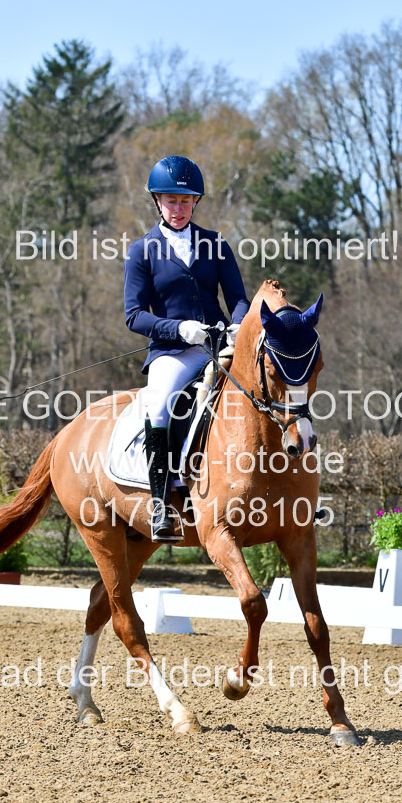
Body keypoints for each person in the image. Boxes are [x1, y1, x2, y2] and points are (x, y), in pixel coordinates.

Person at [124, 154, 249, 542]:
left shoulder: (216, 244)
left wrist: (237, 327)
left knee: (263, 393)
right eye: (170, 200)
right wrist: (180, 329)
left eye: (185, 201)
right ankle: (161, 503)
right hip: (172, 353)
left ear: (195, 202)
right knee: (159, 405)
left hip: (216, 348)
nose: (178, 208)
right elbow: (134, 316)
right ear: (158, 201)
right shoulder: (141, 250)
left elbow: (239, 298)